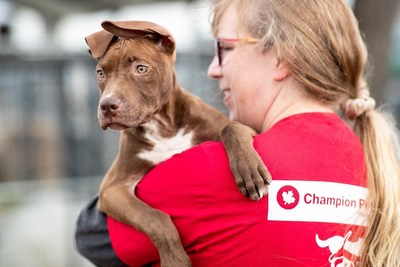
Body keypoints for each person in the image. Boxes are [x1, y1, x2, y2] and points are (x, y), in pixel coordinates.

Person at [75, 0, 400, 266]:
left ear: (282, 56)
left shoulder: (213, 170)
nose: (212, 69)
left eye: (225, 49)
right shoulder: (371, 158)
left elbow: (92, 235)